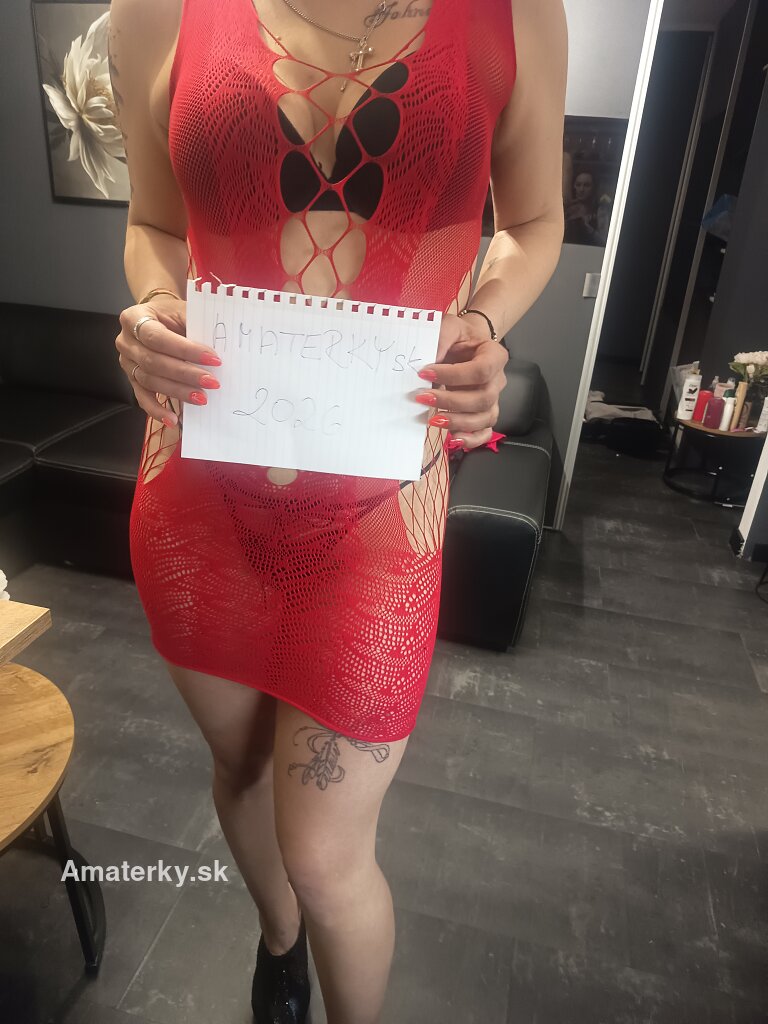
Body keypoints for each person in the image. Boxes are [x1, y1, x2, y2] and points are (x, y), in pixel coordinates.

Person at [107, 0, 567, 1021]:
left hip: (380, 509)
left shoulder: (519, 13)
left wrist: (481, 321)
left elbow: (535, 222)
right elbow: (154, 227)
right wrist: (152, 307)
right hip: (200, 487)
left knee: (325, 852)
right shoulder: (151, 11)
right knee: (238, 767)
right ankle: (279, 950)